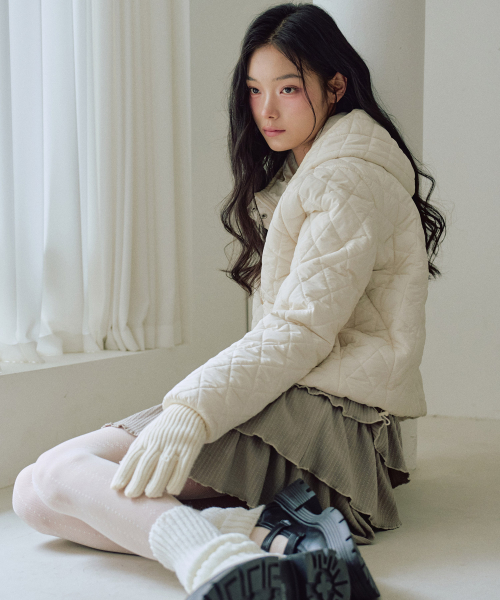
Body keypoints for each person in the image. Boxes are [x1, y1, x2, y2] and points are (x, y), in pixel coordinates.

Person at [12, 3, 446, 599]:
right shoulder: (310, 174)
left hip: (323, 419)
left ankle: (217, 564)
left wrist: (194, 409)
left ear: (336, 85)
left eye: (288, 88)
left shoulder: (344, 179)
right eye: (254, 90)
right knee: (33, 497)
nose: (267, 110)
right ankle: (267, 539)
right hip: (301, 401)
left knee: (62, 475)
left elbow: (300, 329)